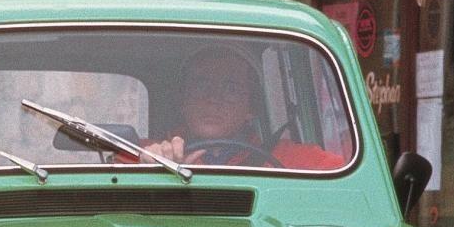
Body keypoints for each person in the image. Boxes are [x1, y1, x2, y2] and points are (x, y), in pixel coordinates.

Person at [143, 47, 346, 171]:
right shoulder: (147, 153)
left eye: (231, 89)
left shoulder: (286, 157)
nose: (213, 99)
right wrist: (149, 169)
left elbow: (348, 178)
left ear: (251, 106)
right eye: (201, 85)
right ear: (182, 99)